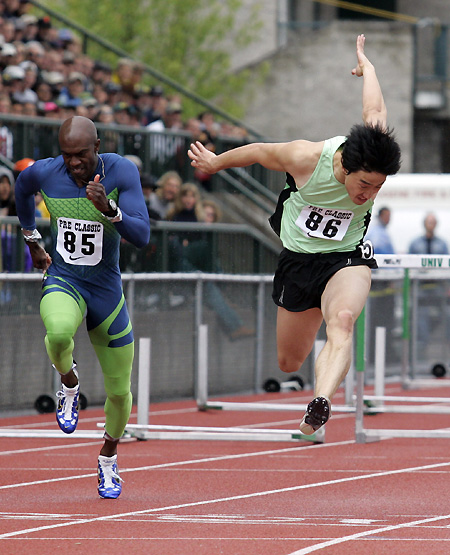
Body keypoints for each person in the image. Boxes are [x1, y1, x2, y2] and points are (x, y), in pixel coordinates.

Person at [188, 34, 401, 434]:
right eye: (365, 185)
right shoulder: (305, 158)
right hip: (299, 261)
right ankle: (312, 373)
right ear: (347, 166)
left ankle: (320, 401)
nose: (368, 195)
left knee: (341, 319)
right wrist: (216, 163)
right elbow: (258, 151)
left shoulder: (375, 150)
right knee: (289, 360)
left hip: (346, 258)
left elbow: (374, 107)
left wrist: (368, 68)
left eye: (377, 188)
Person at [15, 115, 150, 498]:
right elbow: (21, 190)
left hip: (106, 290)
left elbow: (142, 234)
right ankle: (69, 383)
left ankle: (108, 459)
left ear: (98, 146)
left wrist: (109, 209)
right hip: (65, 279)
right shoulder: (46, 172)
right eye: (67, 155)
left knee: (121, 392)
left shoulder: (120, 170)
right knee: (57, 332)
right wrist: (31, 238)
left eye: (82, 155)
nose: (74, 164)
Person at [408, 212, 449, 353]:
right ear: (424, 224)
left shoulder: (442, 244)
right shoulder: (415, 243)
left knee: (445, 314)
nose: (431, 224)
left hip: (438, 288)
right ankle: (422, 347)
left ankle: (444, 346)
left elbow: (446, 267)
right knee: (420, 316)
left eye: (433, 222)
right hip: (420, 288)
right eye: (429, 221)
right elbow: (409, 265)